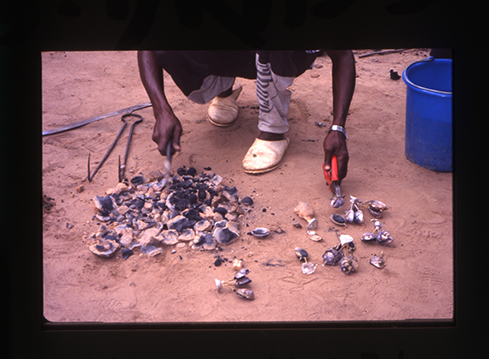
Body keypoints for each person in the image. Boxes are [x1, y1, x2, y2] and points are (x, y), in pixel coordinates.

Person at [137, 50, 355, 182]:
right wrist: (161, 110)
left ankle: (273, 131)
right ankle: (223, 89)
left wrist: (338, 128)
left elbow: (343, 54)